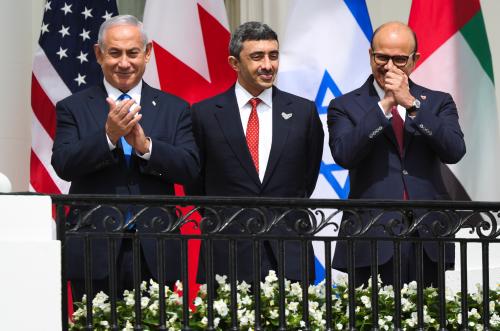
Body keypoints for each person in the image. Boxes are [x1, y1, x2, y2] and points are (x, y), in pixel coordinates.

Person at [51, 15, 199, 299]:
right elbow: (64, 164)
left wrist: (146, 147)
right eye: (114, 53)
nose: (124, 63)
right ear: (98, 54)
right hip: (94, 248)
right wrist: (108, 136)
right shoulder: (73, 107)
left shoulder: (175, 108)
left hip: (157, 250)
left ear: (147, 53)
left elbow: (190, 168)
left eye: (132, 53)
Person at [328, 21, 466, 287]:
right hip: (371, 234)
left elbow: (454, 150)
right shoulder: (344, 105)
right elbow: (344, 154)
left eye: (400, 59)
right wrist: (386, 104)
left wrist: (412, 105)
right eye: (382, 57)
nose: (389, 66)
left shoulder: (437, 102)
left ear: (415, 60)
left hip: (427, 235)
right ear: (370, 55)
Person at [189, 22, 324, 283]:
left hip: (288, 250)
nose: (268, 65)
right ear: (234, 62)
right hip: (227, 248)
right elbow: (195, 182)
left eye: (273, 55)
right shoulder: (204, 114)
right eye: (257, 56)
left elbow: (307, 177)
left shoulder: (303, 112)